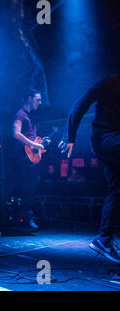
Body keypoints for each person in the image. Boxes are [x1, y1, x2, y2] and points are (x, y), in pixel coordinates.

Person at [59, 74, 119, 264]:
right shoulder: (109, 82)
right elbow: (81, 104)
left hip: (111, 143)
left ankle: (103, 238)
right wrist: (69, 136)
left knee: (115, 190)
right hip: (106, 139)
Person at [12, 89, 44, 230]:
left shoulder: (32, 117)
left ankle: (27, 216)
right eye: (38, 99)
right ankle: (24, 217)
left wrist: (39, 146)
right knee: (27, 187)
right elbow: (16, 134)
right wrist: (33, 144)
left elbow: (33, 138)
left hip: (31, 157)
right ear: (30, 98)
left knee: (32, 186)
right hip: (23, 157)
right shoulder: (20, 114)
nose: (40, 102)